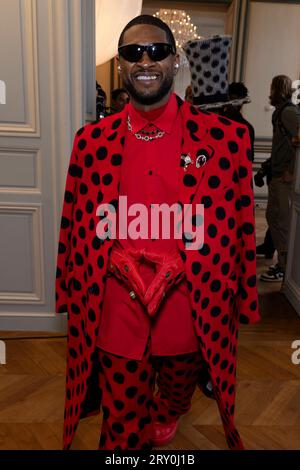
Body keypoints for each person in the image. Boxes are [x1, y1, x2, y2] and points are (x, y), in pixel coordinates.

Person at [55, 17, 260, 451]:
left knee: (176, 397)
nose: (145, 60)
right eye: (132, 52)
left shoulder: (225, 140)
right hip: (116, 312)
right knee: (122, 428)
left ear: (175, 59)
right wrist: (80, 283)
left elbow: (241, 223)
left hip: (192, 309)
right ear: (121, 65)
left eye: (156, 50)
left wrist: (244, 297)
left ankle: (166, 412)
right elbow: (73, 225)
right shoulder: (90, 143)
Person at [260, 75, 300, 282]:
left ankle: (285, 268)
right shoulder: (280, 113)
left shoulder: (288, 112)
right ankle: (283, 265)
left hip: (285, 179)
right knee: (274, 219)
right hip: (277, 176)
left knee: (282, 223)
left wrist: (292, 170)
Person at [221, 82, 255, 162]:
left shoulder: (247, 127)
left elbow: (249, 157)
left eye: (236, 100)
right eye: (232, 99)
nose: (234, 104)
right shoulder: (247, 127)